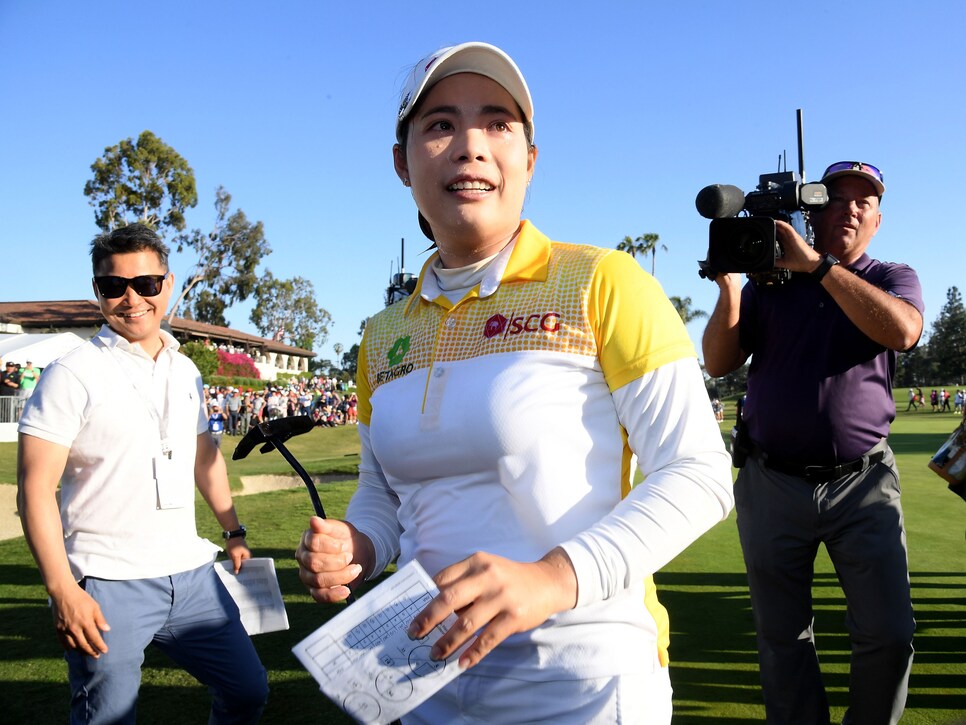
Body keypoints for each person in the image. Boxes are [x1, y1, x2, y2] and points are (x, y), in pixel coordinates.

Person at [295, 41, 734, 723]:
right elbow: (385, 494)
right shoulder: (381, 335)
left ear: (529, 159)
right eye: (440, 124)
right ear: (400, 162)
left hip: (584, 684)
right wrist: (357, 544)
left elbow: (700, 472)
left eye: (498, 122)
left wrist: (554, 577)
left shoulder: (602, 281)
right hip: (423, 677)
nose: (471, 145)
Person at [16, 223, 268, 724]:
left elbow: (205, 457)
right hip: (106, 581)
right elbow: (34, 489)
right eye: (114, 286)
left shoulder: (185, 369)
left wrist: (233, 531)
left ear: (168, 285)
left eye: (146, 284)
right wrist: (63, 590)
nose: (131, 298)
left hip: (192, 575)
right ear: (98, 292)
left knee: (248, 691)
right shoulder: (70, 373)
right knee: (107, 719)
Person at [703, 161, 921, 724]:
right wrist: (730, 284)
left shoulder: (892, 277)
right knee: (783, 640)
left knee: (890, 635)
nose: (850, 209)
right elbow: (719, 360)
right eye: (838, 199)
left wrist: (819, 267)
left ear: (876, 219)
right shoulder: (767, 284)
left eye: (863, 202)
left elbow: (902, 331)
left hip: (863, 482)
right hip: (772, 482)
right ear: (811, 212)